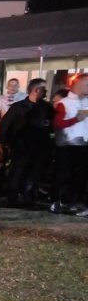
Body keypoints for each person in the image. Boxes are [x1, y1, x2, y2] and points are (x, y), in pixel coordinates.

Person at [0, 78, 54, 208]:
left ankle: (29, 197)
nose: (46, 91)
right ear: (37, 90)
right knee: (17, 172)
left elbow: (53, 124)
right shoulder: (18, 107)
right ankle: (13, 197)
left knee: (35, 173)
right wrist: (5, 142)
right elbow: (5, 125)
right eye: (44, 89)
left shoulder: (47, 108)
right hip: (21, 146)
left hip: (40, 146)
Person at [51, 73, 88, 215]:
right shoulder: (65, 102)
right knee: (62, 174)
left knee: (79, 175)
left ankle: (76, 201)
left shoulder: (86, 101)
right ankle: (56, 201)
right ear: (79, 85)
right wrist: (76, 119)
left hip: (83, 144)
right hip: (67, 145)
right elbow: (57, 124)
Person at [0, 78, 28, 182]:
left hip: (19, 131)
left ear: (19, 86)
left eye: (15, 85)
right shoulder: (1, 98)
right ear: (7, 86)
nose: (13, 87)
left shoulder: (24, 97)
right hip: (4, 129)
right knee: (1, 155)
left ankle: (15, 180)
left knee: (17, 156)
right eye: (10, 85)